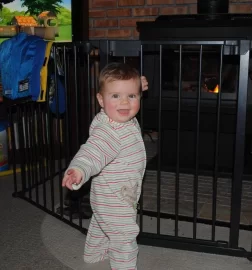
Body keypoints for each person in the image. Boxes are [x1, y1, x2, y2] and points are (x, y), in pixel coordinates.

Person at [62, 62, 148, 270]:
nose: (125, 103)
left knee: (103, 223)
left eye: (132, 96)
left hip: (109, 192)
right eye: (115, 96)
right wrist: (80, 169)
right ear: (101, 99)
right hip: (114, 196)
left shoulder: (116, 118)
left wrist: (138, 85)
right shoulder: (109, 132)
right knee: (124, 234)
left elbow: (126, 90)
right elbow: (92, 152)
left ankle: (94, 253)